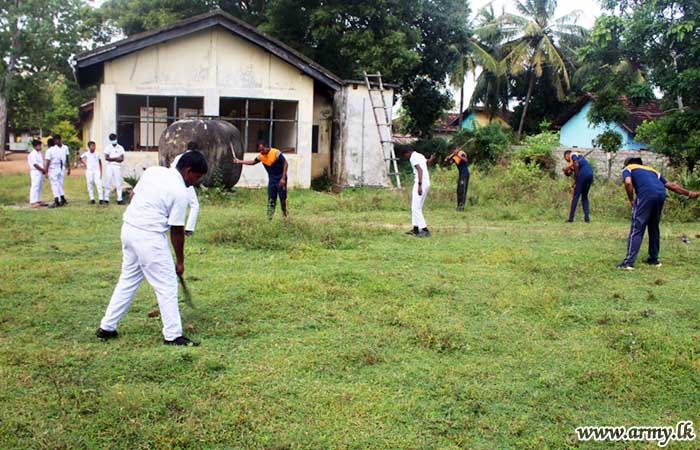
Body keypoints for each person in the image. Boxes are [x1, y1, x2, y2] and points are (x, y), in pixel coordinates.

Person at [96, 151, 209, 346]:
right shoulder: (180, 192)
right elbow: (176, 231)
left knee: (128, 280)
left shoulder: (153, 172)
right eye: (196, 177)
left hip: (129, 230)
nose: (195, 182)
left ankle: (107, 327)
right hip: (149, 238)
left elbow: (133, 195)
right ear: (188, 170)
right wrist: (180, 261)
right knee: (167, 285)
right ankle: (173, 335)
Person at [617, 157, 698, 269]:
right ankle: (653, 259)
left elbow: (628, 183)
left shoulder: (628, 168)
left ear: (627, 164)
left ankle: (628, 262)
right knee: (654, 227)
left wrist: (631, 199)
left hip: (646, 195)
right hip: (661, 195)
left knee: (637, 226)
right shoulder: (652, 170)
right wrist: (689, 193)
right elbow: (672, 186)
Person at [233, 140, 289, 219]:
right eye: (260, 151)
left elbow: (286, 163)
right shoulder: (261, 156)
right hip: (272, 180)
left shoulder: (276, 153)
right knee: (271, 200)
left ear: (266, 146)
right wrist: (239, 161)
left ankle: (286, 218)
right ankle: (269, 218)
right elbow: (253, 162)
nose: (261, 152)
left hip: (281, 179)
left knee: (283, 199)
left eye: (262, 149)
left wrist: (283, 178)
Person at [401, 146, 436, 237]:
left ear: (407, 152)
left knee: (415, 208)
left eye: (405, 155)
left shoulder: (412, 158)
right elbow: (427, 163)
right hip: (426, 182)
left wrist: (419, 185)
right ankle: (415, 229)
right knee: (417, 207)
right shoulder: (420, 155)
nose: (406, 157)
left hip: (420, 183)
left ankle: (425, 230)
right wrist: (431, 159)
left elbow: (420, 170)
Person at [170, 141, 201, 235]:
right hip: (185, 182)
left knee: (171, 203)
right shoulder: (193, 158)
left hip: (173, 181)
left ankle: (170, 225)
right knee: (194, 205)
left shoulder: (179, 156)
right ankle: (189, 229)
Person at [563, 150, 594, 223]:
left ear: (567, 155)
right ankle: (587, 218)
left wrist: (575, 180)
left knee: (575, 196)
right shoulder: (578, 157)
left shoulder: (572, 154)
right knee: (584, 197)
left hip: (583, 174)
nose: (567, 160)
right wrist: (568, 170)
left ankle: (571, 219)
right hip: (590, 174)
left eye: (565, 158)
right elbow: (575, 167)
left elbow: (576, 164)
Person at [443, 146, 470, 211]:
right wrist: (447, 159)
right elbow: (449, 163)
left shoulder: (461, 153)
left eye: (451, 151)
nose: (451, 152)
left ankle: (461, 207)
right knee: (459, 190)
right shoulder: (454, 157)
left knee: (462, 190)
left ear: (454, 149)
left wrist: (457, 154)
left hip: (465, 174)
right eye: (450, 151)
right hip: (461, 175)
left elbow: (466, 160)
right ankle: (459, 206)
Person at [103, 133, 125, 205]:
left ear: (116, 138)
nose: (113, 140)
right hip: (109, 166)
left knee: (118, 182)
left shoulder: (120, 148)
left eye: (114, 139)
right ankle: (106, 198)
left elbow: (122, 159)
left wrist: (112, 158)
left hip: (117, 166)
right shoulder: (107, 147)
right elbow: (106, 158)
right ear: (110, 140)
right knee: (108, 182)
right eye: (112, 139)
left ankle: (119, 199)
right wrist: (116, 158)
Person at [44, 138, 65, 208]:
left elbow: (47, 161)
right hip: (59, 169)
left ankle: (57, 201)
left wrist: (46, 171)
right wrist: (60, 169)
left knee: (54, 185)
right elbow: (62, 161)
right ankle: (62, 199)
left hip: (52, 170)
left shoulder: (49, 151)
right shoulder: (59, 149)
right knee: (59, 185)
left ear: (48, 144)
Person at [28, 139, 47, 208]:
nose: (40, 147)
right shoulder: (32, 154)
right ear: (35, 146)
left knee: (39, 186)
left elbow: (41, 163)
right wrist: (43, 170)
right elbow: (35, 164)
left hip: (40, 172)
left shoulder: (39, 153)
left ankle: (38, 200)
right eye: (39, 145)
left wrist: (43, 170)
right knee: (35, 186)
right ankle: (33, 202)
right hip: (35, 171)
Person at [53, 134, 71, 205]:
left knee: (60, 183)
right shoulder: (54, 148)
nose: (56, 142)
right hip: (56, 167)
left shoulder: (65, 147)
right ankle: (61, 198)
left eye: (57, 140)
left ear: (60, 140)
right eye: (54, 140)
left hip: (62, 167)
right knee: (57, 183)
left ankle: (61, 198)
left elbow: (67, 158)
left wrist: (69, 168)